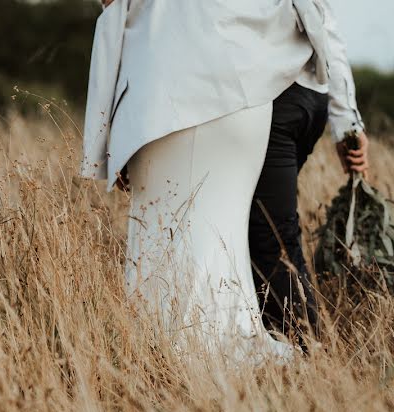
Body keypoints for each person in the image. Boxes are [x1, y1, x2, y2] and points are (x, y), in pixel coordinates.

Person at [81, 0, 363, 364]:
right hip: (269, 90)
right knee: (237, 237)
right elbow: (323, 18)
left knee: (237, 239)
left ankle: (292, 355)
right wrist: (347, 119)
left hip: (197, 95)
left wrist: (121, 133)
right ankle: (285, 352)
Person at [248, 1, 369, 340]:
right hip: (310, 96)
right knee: (253, 228)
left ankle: (306, 351)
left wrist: (347, 123)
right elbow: (327, 25)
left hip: (278, 97)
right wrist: (346, 119)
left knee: (269, 237)